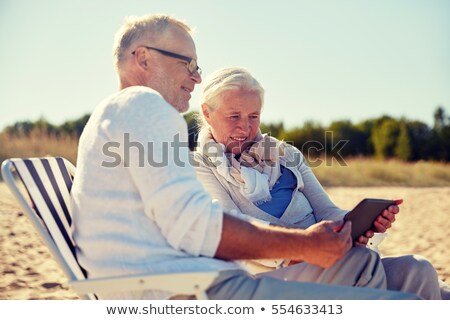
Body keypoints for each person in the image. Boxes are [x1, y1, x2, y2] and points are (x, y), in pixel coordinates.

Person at [71, 14, 418, 300]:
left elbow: (184, 222)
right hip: (193, 292)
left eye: (198, 65)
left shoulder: (114, 117)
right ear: (143, 58)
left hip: (190, 284)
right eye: (187, 63)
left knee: (416, 276)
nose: (197, 77)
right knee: (389, 289)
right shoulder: (143, 105)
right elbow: (197, 226)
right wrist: (305, 245)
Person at [193, 66, 449, 300]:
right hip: (264, 278)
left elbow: (327, 211)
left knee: (418, 269)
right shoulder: (197, 165)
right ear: (207, 112)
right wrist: (303, 247)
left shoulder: (287, 155)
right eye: (234, 116)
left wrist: (359, 224)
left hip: (325, 259)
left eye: (253, 116)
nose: (245, 128)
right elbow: (231, 231)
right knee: (360, 261)